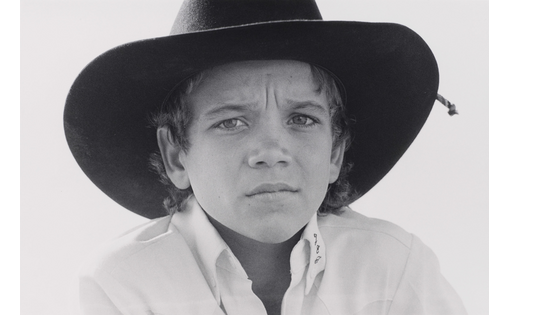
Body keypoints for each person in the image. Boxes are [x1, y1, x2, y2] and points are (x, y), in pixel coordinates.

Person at [64, 1, 467, 314]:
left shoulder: (392, 267)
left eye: (302, 119)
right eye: (231, 123)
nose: (272, 153)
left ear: (336, 150)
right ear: (176, 154)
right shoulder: (125, 285)